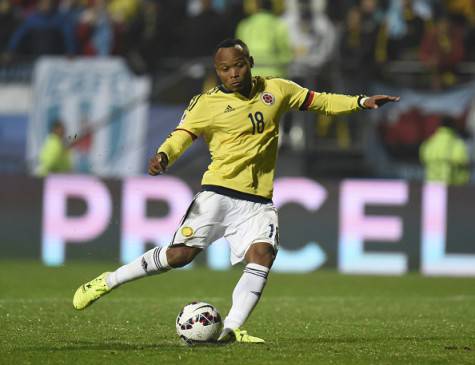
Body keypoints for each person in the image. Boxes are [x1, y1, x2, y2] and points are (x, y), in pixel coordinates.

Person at [73, 38, 400, 343]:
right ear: (217, 71)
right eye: (225, 69)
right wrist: (163, 155)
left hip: (258, 202)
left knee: (263, 255)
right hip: (218, 194)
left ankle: (230, 329)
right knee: (180, 255)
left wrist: (361, 102)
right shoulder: (206, 104)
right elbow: (182, 135)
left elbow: (320, 101)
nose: (233, 73)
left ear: (250, 62)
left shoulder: (277, 89)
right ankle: (108, 280)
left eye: (239, 65)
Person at [419, 116, 470, 185]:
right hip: (453, 188)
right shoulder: (457, 144)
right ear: (454, 127)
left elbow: (423, 158)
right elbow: (464, 161)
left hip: (432, 187)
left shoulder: (429, 143)